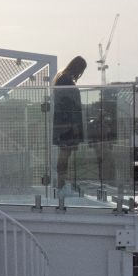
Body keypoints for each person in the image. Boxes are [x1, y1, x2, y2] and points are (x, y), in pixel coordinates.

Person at [53, 56, 87, 196]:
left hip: (63, 123)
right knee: (65, 153)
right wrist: (74, 126)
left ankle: (62, 183)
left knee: (65, 153)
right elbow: (69, 105)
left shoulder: (61, 77)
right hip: (68, 124)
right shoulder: (66, 80)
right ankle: (61, 184)